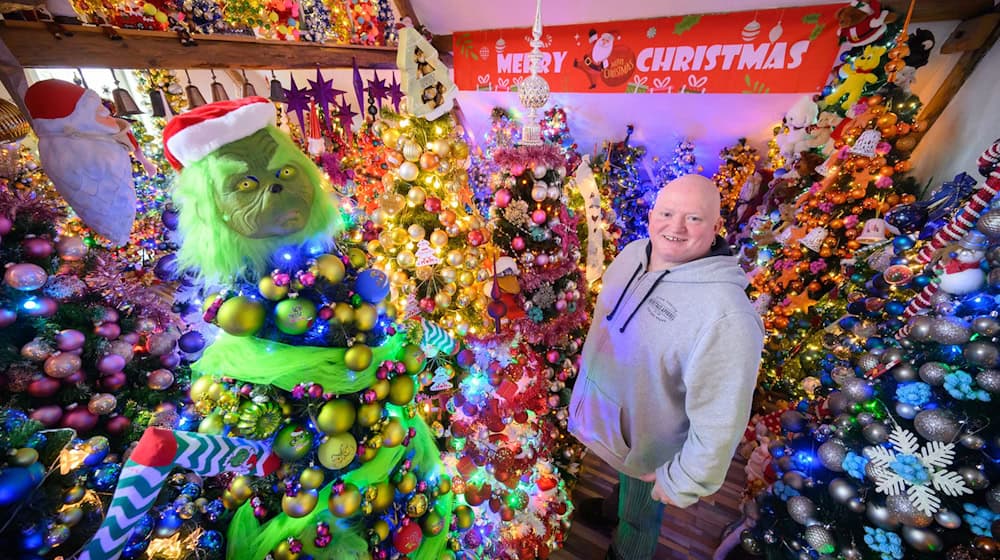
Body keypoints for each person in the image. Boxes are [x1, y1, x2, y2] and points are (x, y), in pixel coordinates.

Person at [568, 174, 764, 560]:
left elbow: (721, 419)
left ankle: (627, 551)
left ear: (715, 227)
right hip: (614, 425)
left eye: (693, 218)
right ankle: (611, 511)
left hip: (652, 447)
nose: (674, 227)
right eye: (667, 212)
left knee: (639, 515)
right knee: (623, 487)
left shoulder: (727, 315)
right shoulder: (632, 253)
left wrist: (683, 480)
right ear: (652, 213)